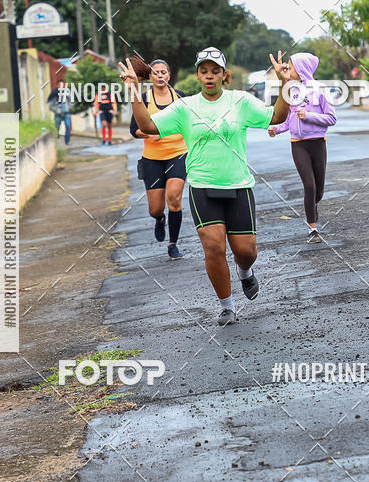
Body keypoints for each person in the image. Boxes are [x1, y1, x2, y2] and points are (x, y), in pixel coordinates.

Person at [120, 47, 291, 325]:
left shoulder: (240, 101)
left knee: (246, 252)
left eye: (215, 71)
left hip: (238, 185)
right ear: (198, 75)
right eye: (204, 71)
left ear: (224, 75)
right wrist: (133, 91)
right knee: (214, 248)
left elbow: (277, 117)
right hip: (203, 187)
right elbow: (148, 126)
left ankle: (245, 272)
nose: (209, 76)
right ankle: (227, 306)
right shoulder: (185, 107)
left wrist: (286, 85)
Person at [268, 53, 336, 243]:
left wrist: (308, 116)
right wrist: (276, 129)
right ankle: (313, 230)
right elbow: (289, 119)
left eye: (291, 67)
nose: (288, 70)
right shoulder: (292, 91)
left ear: (302, 68)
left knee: (318, 191)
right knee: (309, 186)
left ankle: (312, 207)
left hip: (318, 143)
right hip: (298, 144)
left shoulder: (320, 89)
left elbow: (331, 118)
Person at [129, 58, 188, 260]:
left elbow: (192, 120)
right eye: (156, 72)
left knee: (174, 198)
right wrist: (149, 134)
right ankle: (160, 219)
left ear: (169, 76)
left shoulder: (181, 97)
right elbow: (134, 130)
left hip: (178, 153)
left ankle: (173, 244)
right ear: (150, 76)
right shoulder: (144, 99)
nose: (160, 75)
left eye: (164, 72)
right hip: (152, 158)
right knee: (155, 208)